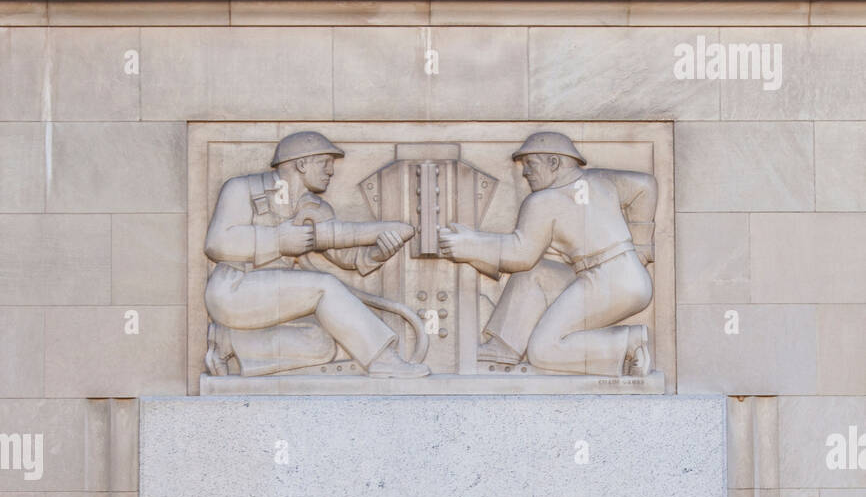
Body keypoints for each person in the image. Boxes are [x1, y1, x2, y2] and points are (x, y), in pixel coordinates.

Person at [204, 130, 428, 378]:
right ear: (301, 164)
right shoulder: (242, 188)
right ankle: (382, 359)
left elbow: (347, 258)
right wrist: (279, 240)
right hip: (233, 289)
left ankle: (228, 342)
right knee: (324, 286)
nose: (331, 171)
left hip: (273, 301)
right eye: (325, 163)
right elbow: (217, 243)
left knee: (322, 342)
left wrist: (377, 253)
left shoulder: (317, 208)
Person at [438, 131, 657, 377]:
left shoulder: (543, 200)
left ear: (554, 163)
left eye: (531, 164)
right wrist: (641, 247)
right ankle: (506, 345)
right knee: (535, 273)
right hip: (614, 276)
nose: (524, 173)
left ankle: (629, 343)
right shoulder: (601, 179)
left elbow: (521, 253)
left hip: (610, 283)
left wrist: (471, 245)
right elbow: (645, 186)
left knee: (543, 350)